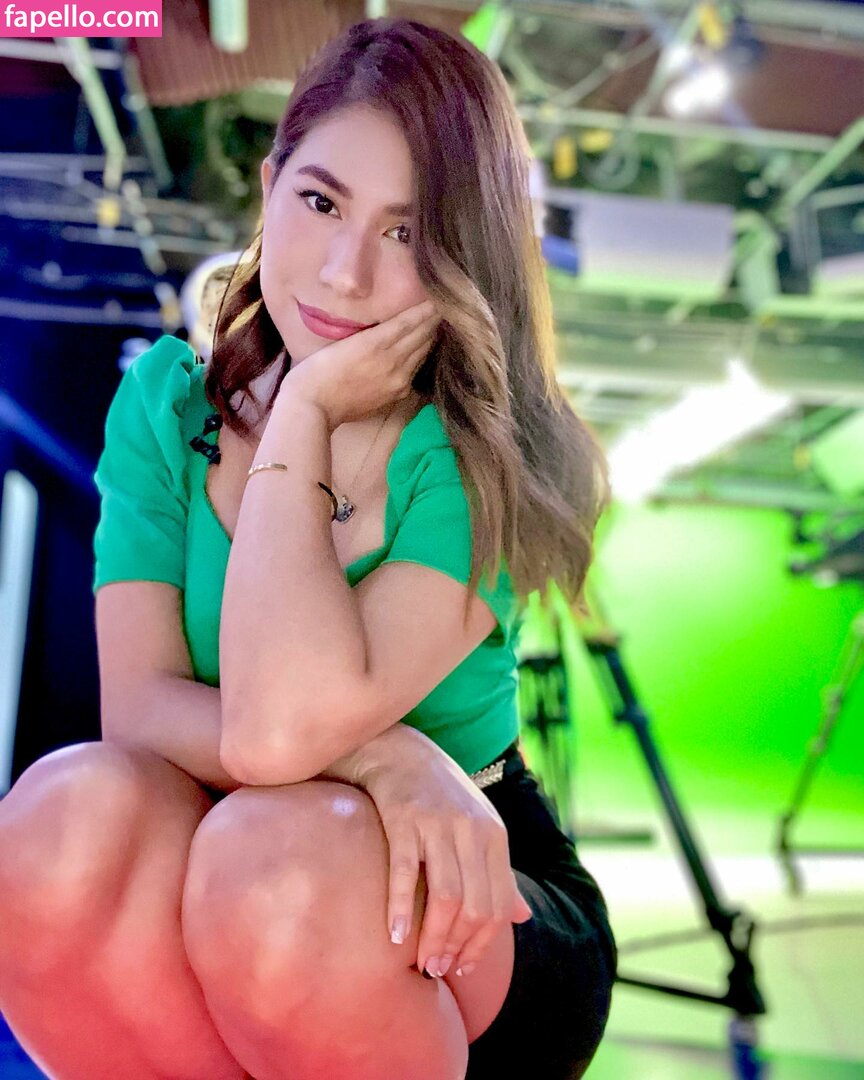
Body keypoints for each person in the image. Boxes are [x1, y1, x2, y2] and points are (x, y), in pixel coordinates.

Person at [0, 17, 616, 1080]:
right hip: (233, 864)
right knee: (62, 816)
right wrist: (387, 756)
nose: (344, 273)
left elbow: (278, 729)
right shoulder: (166, 406)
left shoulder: (493, 449)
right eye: (321, 202)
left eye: (407, 234)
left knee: (275, 865)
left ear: (465, 255)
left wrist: (304, 413)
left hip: (461, 894)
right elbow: (137, 712)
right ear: (270, 186)